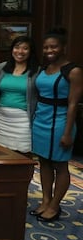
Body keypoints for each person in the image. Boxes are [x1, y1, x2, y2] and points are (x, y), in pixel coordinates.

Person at [30, 28, 83, 222]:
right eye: (46, 47)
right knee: (43, 161)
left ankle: (55, 205)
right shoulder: (44, 68)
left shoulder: (73, 71)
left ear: (63, 47)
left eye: (53, 46)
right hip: (41, 120)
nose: (49, 50)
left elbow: (73, 104)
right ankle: (45, 200)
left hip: (60, 122)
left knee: (60, 165)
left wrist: (68, 133)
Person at [0, 35, 39, 154]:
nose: (20, 51)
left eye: (25, 48)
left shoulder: (37, 71)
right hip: (2, 119)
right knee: (0, 153)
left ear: (30, 51)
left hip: (24, 121)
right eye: (17, 47)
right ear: (12, 49)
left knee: (23, 155)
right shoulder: (2, 67)